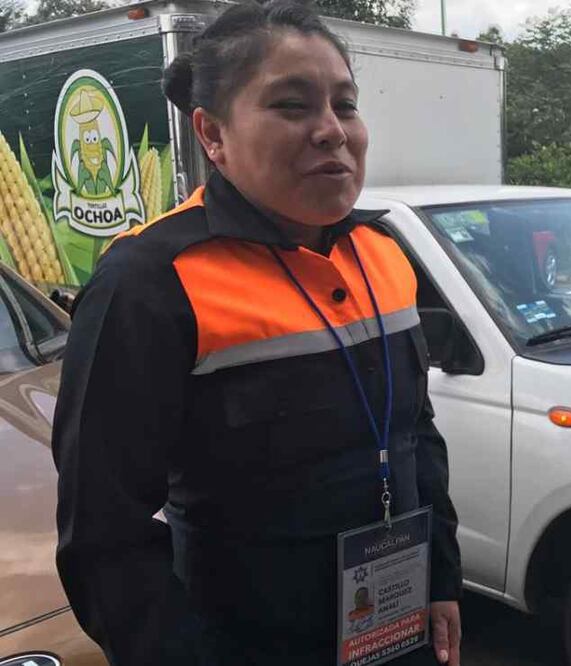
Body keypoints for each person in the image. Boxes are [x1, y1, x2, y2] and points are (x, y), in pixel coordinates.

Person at [50, 2, 462, 664]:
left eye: (345, 104)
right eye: (292, 106)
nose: (331, 131)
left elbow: (416, 434)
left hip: (394, 627)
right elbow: (104, 535)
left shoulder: (382, 252)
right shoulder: (150, 282)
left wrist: (440, 578)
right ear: (212, 135)